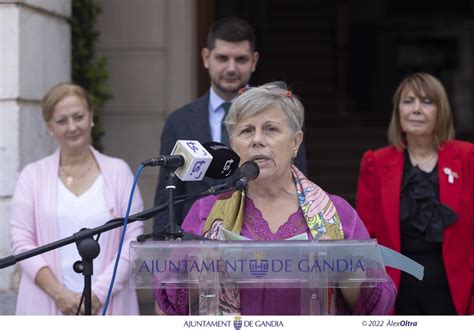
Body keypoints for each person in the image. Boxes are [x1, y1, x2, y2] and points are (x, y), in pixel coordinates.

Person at [153, 82, 396, 315]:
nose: (257, 139)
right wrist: (200, 270)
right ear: (233, 144)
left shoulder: (337, 213)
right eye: (247, 130)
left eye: (271, 129)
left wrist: (348, 273)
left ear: (295, 142)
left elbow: (376, 306)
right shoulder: (206, 212)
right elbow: (170, 305)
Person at [153, 16, 308, 234]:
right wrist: (163, 255)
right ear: (206, 57)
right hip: (196, 242)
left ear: (254, 61)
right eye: (223, 58)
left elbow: (297, 180)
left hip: (261, 237)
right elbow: (167, 196)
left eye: (241, 60)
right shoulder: (179, 122)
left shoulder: (280, 116)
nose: (231, 68)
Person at [10, 83, 144, 315]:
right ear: (50, 126)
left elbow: (134, 239)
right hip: (46, 305)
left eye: (79, 116)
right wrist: (60, 295)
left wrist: (98, 294)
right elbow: (22, 242)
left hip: (109, 304)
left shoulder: (119, 171)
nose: (72, 127)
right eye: (62, 121)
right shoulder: (31, 176)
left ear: (91, 116)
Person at [356, 73, 474, 315]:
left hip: (458, 288)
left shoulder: (468, 158)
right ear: (398, 111)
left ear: (441, 111)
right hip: (397, 290)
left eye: (427, 102)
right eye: (408, 101)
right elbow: (365, 234)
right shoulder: (375, 162)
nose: (416, 109)